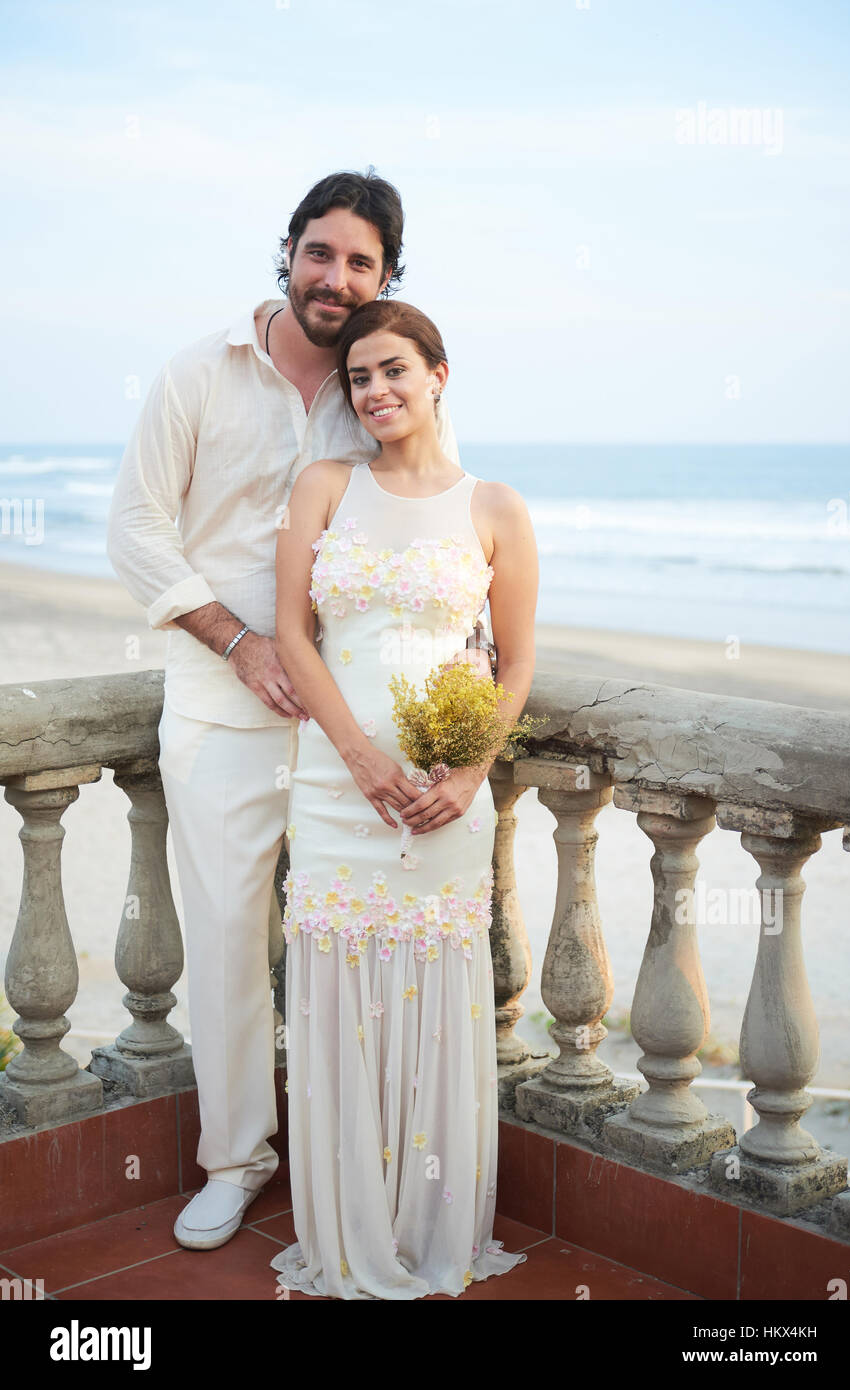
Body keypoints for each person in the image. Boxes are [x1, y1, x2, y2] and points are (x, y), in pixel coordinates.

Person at [106, 169, 493, 1253]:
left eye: (362, 262)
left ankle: (365, 1164)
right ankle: (234, 1161)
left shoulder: (381, 375)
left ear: (386, 277)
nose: (337, 277)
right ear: (288, 252)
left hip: (357, 727)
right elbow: (137, 529)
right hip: (224, 711)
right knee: (231, 937)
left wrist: (458, 719)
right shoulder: (197, 372)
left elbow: (445, 533)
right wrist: (236, 641)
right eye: (321, 253)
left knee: (354, 947)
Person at [269, 298, 538, 1299]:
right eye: (358, 378)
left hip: (442, 808)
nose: (375, 390)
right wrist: (356, 758)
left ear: (438, 375)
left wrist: (467, 776)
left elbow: (515, 665)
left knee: (432, 1003)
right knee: (342, 1000)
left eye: (393, 370)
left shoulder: (495, 507)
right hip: (338, 798)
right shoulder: (325, 487)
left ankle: (430, 1231)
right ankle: (349, 1235)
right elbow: (294, 635)